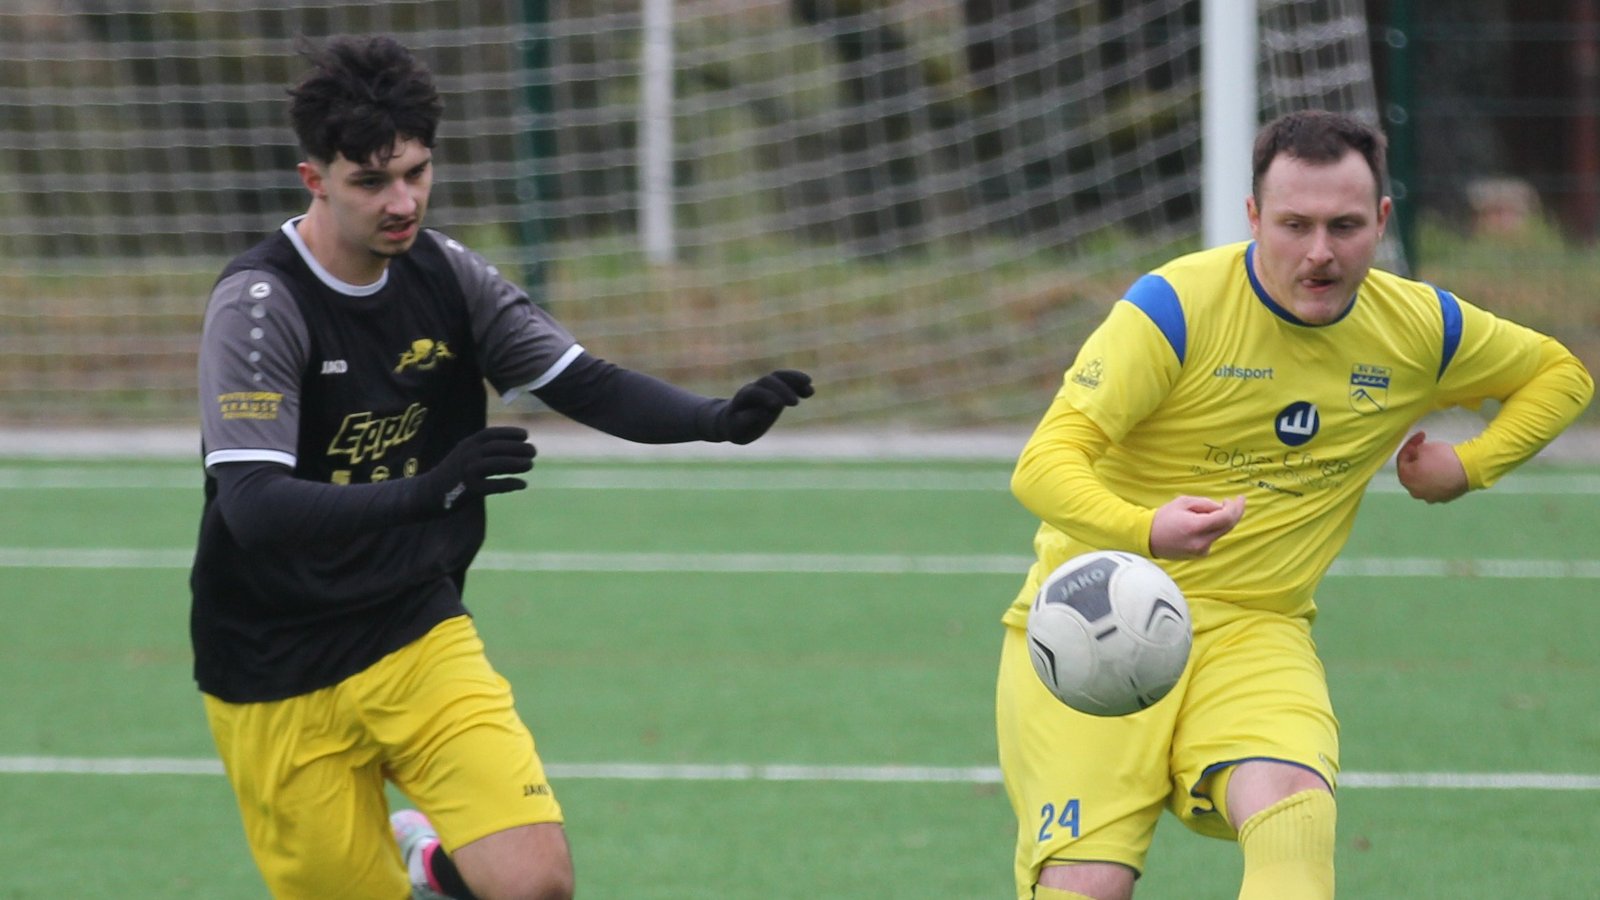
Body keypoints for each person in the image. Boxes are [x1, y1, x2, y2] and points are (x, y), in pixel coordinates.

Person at [190, 34, 814, 900]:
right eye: (371, 182)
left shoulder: (448, 276)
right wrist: (429, 490)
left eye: (416, 172)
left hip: (415, 631)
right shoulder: (260, 306)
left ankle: (437, 868)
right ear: (314, 179)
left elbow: (583, 382)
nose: (402, 201)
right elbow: (255, 507)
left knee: (533, 885)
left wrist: (714, 420)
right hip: (272, 665)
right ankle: (426, 870)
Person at [995, 108, 1593, 900]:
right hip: (1092, 621)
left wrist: (1469, 465)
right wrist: (1146, 528)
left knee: (1293, 811)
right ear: (1253, 217)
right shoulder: (1173, 309)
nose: (1319, 253)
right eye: (1294, 225)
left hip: (1256, 628)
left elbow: (1559, 375)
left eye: (1344, 226)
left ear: (1381, 220)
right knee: (1091, 882)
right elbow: (1041, 466)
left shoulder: (1418, 328)